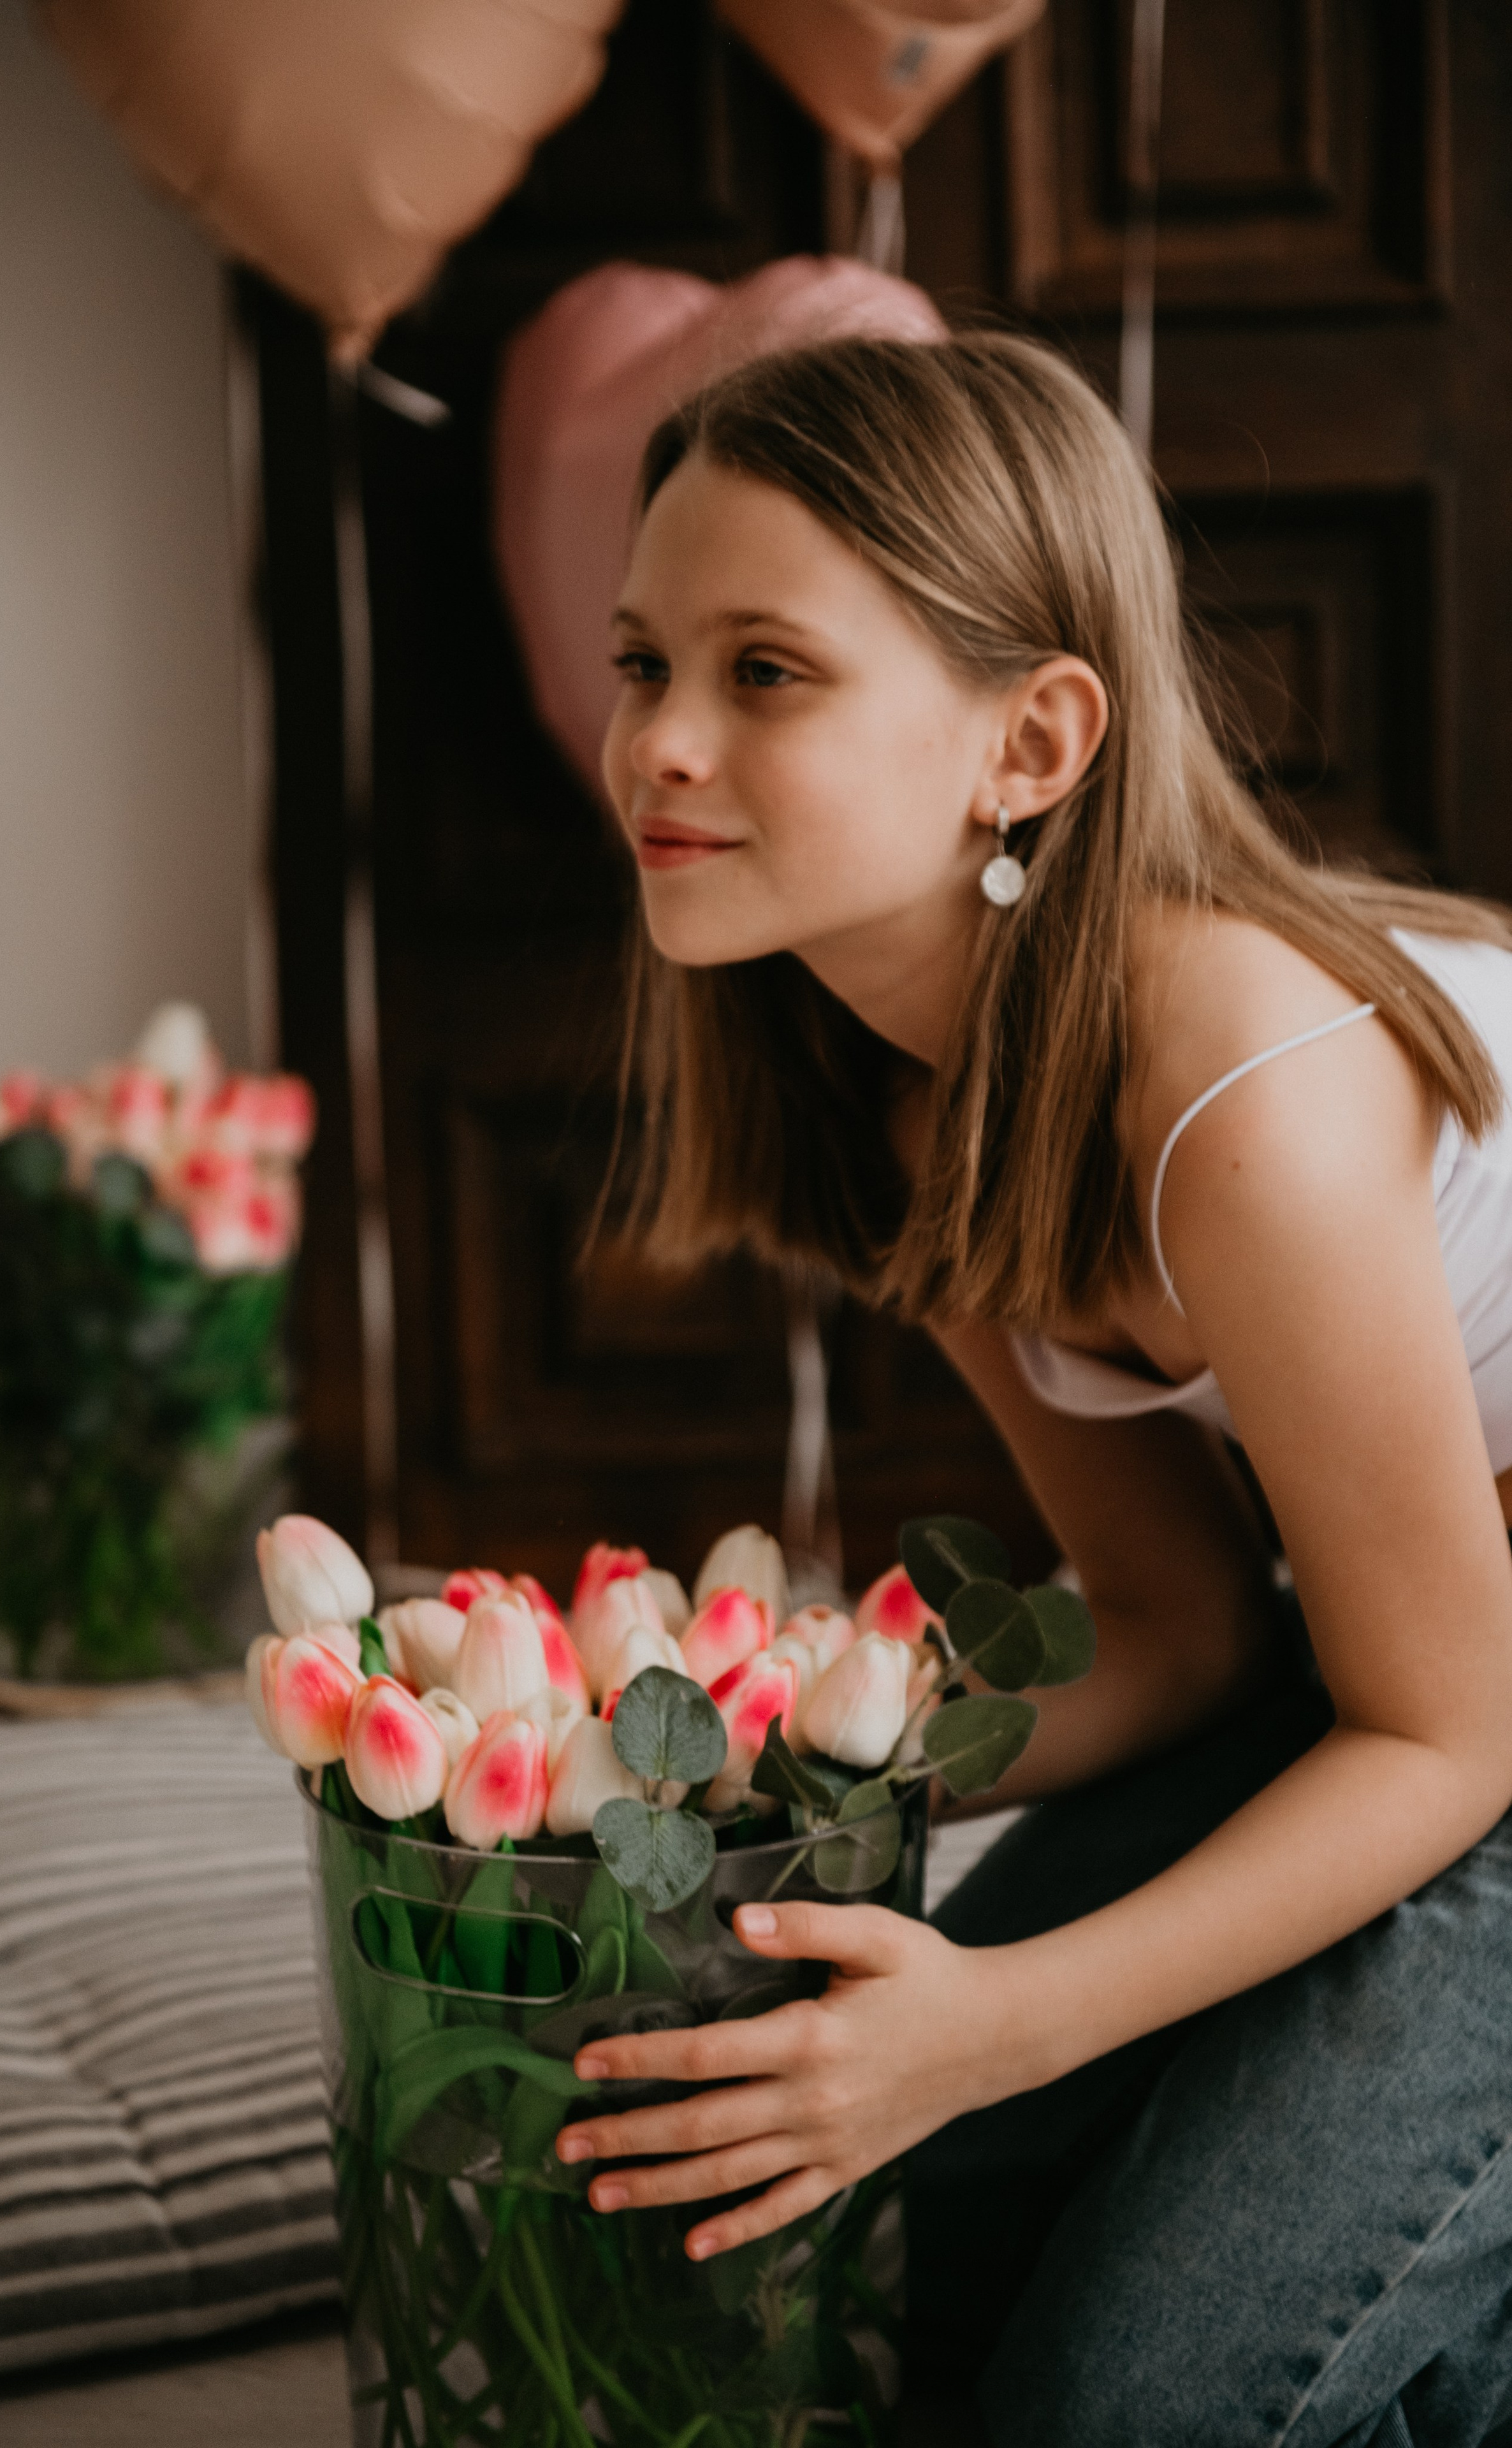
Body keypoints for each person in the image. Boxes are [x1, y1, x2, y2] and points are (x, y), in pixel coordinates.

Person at [548, 332, 1512, 2447]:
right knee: (894, 2276)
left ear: (1034, 739)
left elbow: (1447, 1733)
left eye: (765, 671)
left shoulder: (1244, 1081)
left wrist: (1004, 2020)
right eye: (641, 664)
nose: (661, 746)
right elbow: (1188, 1630)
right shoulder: (928, 1102)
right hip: (1419, 1688)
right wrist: (778, 1792)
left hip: (1472, 1713)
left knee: (1121, 2404)